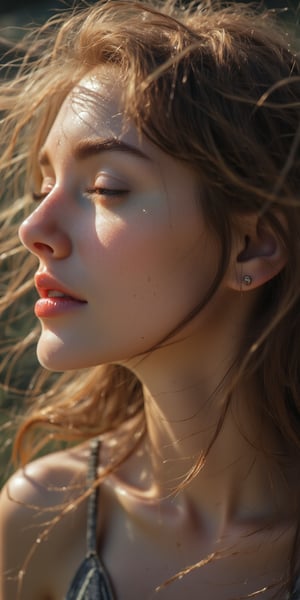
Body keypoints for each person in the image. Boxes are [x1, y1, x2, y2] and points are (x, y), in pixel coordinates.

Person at [0, 0, 300, 598]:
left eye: (106, 187)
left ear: (253, 246)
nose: (34, 227)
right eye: (42, 186)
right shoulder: (38, 523)